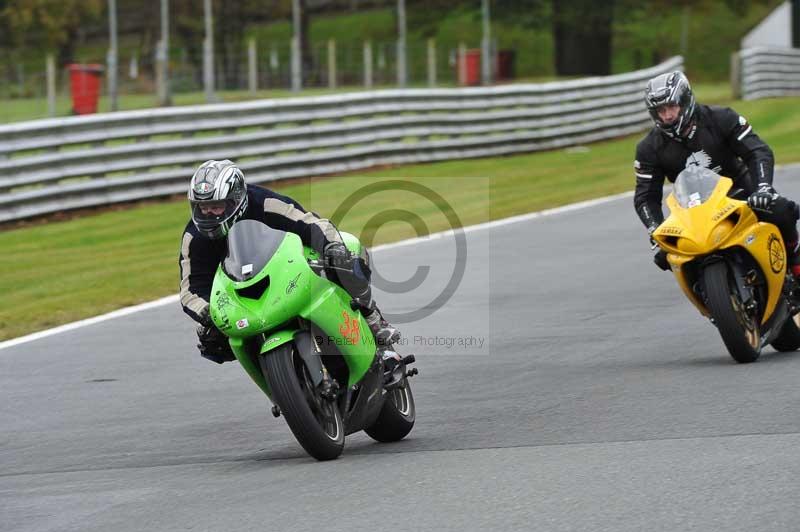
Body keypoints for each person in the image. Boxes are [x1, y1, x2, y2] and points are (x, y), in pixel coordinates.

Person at [179, 159, 400, 364]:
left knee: (345, 257)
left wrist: (333, 248)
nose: (208, 214)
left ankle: (373, 320)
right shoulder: (194, 237)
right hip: (243, 295)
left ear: (235, 200)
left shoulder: (265, 203)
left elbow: (311, 223)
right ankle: (278, 386)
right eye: (202, 207)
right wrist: (207, 312)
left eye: (216, 206)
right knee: (212, 341)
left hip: (287, 269)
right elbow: (190, 290)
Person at [633, 71, 800, 274]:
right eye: (660, 110)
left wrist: (763, 188)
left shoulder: (722, 118)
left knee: (781, 210)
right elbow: (645, 197)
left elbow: (758, 151)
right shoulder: (648, 148)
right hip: (693, 213)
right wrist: (655, 228)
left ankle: (795, 261)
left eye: (672, 107)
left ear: (685, 101)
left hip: (742, 196)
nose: (667, 115)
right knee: (667, 257)